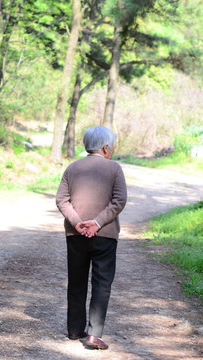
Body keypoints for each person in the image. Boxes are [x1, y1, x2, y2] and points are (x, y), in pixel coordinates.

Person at [55, 126, 127, 350]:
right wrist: (96, 223)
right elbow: (119, 201)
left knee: (76, 282)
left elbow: (62, 200)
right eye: (112, 146)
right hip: (105, 236)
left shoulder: (72, 168)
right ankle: (95, 334)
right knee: (101, 284)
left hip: (75, 236)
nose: (112, 150)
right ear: (105, 148)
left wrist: (78, 222)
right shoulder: (114, 168)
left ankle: (75, 329)